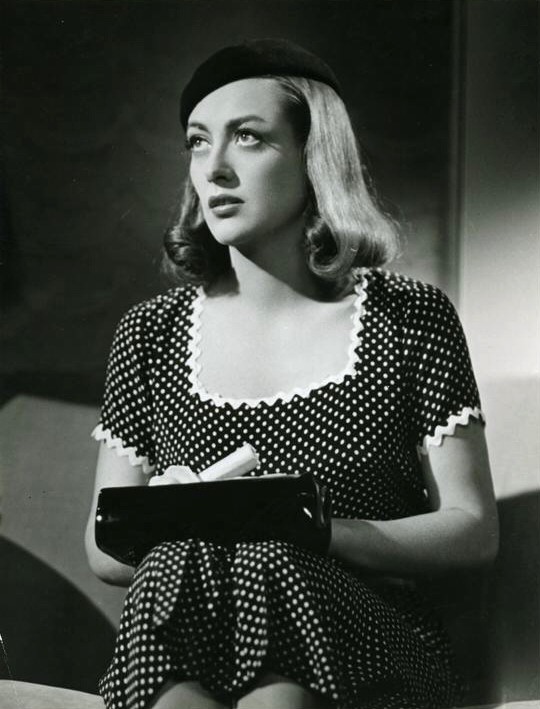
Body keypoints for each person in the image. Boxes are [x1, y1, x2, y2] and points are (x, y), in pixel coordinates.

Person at [85, 38, 499, 709]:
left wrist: (314, 528)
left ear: (314, 157)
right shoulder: (150, 333)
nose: (214, 168)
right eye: (197, 142)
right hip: (193, 631)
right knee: (167, 566)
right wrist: (165, 513)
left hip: (368, 642)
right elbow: (105, 550)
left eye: (247, 138)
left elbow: (473, 528)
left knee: (270, 559)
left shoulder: (408, 317)